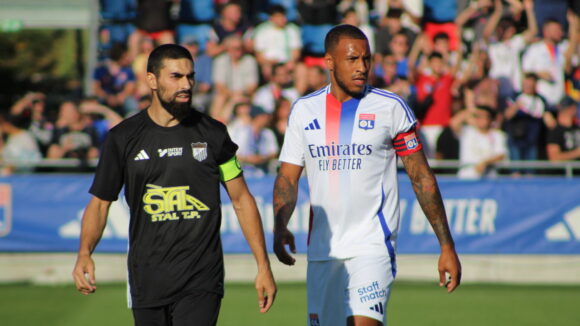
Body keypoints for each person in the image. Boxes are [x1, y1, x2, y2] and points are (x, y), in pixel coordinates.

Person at [72, 44, 276, 326]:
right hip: (147, 279)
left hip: (201, 278)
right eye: (176, 77)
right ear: (152, 80)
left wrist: (263, 266)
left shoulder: (213, 133)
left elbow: (241, 199)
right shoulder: (122, 138)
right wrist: (84, 253)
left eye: (190, 77)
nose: (186, 84)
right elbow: (100, 203)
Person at [273, 25, 461, 326]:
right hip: (323, 251)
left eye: (366, 59)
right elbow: (287, 178)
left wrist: (446, 246)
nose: (362, 67)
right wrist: (280, 223)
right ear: (330, 62)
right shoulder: (303, 111)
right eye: (352, 59)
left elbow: (422, 178)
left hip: (372, 246)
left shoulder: (390, 107)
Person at [546, 96, 580, 161]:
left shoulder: (577, 128)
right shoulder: (555, 131)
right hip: (564, 170)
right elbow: (554, 158)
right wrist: (576, 153)